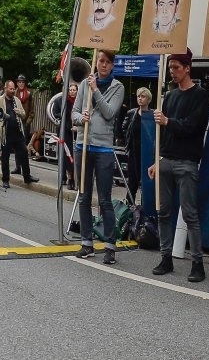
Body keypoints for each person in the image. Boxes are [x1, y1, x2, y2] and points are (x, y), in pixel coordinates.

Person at [148, 48, 209, 282]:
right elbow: (163, 134)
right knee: (163, 211)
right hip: (167, 159)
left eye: (176, 67)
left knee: (190, 214)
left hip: (187, 161)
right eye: (170, 67)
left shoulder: (201, 95)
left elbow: (193, 126)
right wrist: (157, 160)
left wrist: (167, 121)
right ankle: (166, 257)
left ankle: (197, 262)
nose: (172, 72)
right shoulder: (171, 96)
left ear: (188, 68)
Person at [71, 50, 125, 263]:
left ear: (112, 65)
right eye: (100, 60)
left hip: (103, 149)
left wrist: (95, 90)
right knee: (83, 196)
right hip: (83, 145)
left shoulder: (117, 87)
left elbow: (110, 112)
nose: (103, 64)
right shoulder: (84, 83)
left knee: (104, 200)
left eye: (107, 62)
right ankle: (86, 243)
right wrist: (79, 118)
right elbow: (74, 112)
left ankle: (110, 245)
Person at [2, 80, 38, 187]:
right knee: (5, 158)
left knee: (24, 153)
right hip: (6, 134)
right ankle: (5, 180)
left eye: (13, 89)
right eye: (11, 89)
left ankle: (27, 177)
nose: (13, 91)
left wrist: (19, 112)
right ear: (5, 89)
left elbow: (23, 115)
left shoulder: (16, 100)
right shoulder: (1, 100)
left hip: (18, 133)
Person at [121, 87, 152, 203]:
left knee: (146, 182)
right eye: (139, 96)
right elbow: (124, 128)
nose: (140, 98)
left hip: (147, 152)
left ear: (148, 100)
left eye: (143, 96)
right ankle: (130, 206)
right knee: (132, 181)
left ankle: (146, 208)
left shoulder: (152, 115)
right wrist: (127, 140)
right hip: (134, 151)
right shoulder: (131, 113)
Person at [61, 83, 79, 189]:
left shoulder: (80, 102)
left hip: (78, 132)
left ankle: (77, 178)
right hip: (68, 132)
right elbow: (64, 117)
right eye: (70, 90)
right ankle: (70, 179)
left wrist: (78, 127)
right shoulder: (66, 102)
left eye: (74, 90)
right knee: (69, 156)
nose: (72, 91)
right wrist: (70, 127)